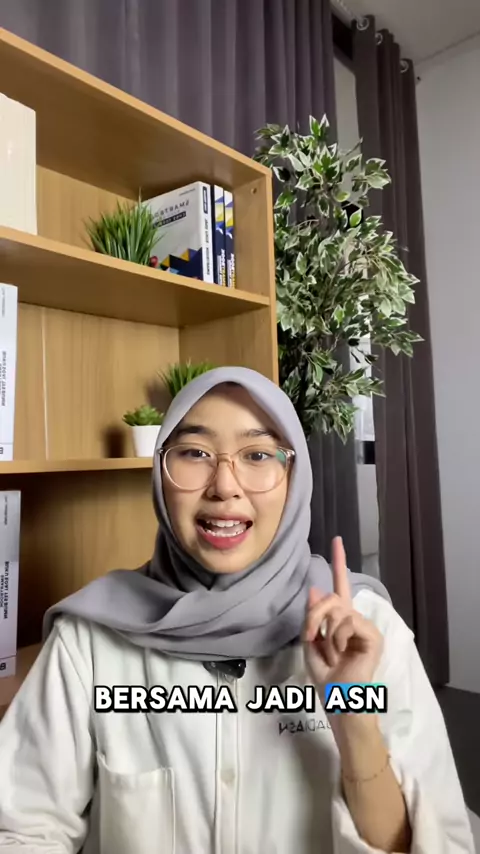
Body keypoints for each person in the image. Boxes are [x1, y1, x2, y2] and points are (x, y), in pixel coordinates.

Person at [0, 366, 474, 854]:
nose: (224, 486)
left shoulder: (366, 631)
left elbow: (439, 843)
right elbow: (23, 829)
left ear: (294, 478)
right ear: (160, 476)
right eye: (194, 453)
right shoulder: (90, 640)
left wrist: (353, 719)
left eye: (258, 455)